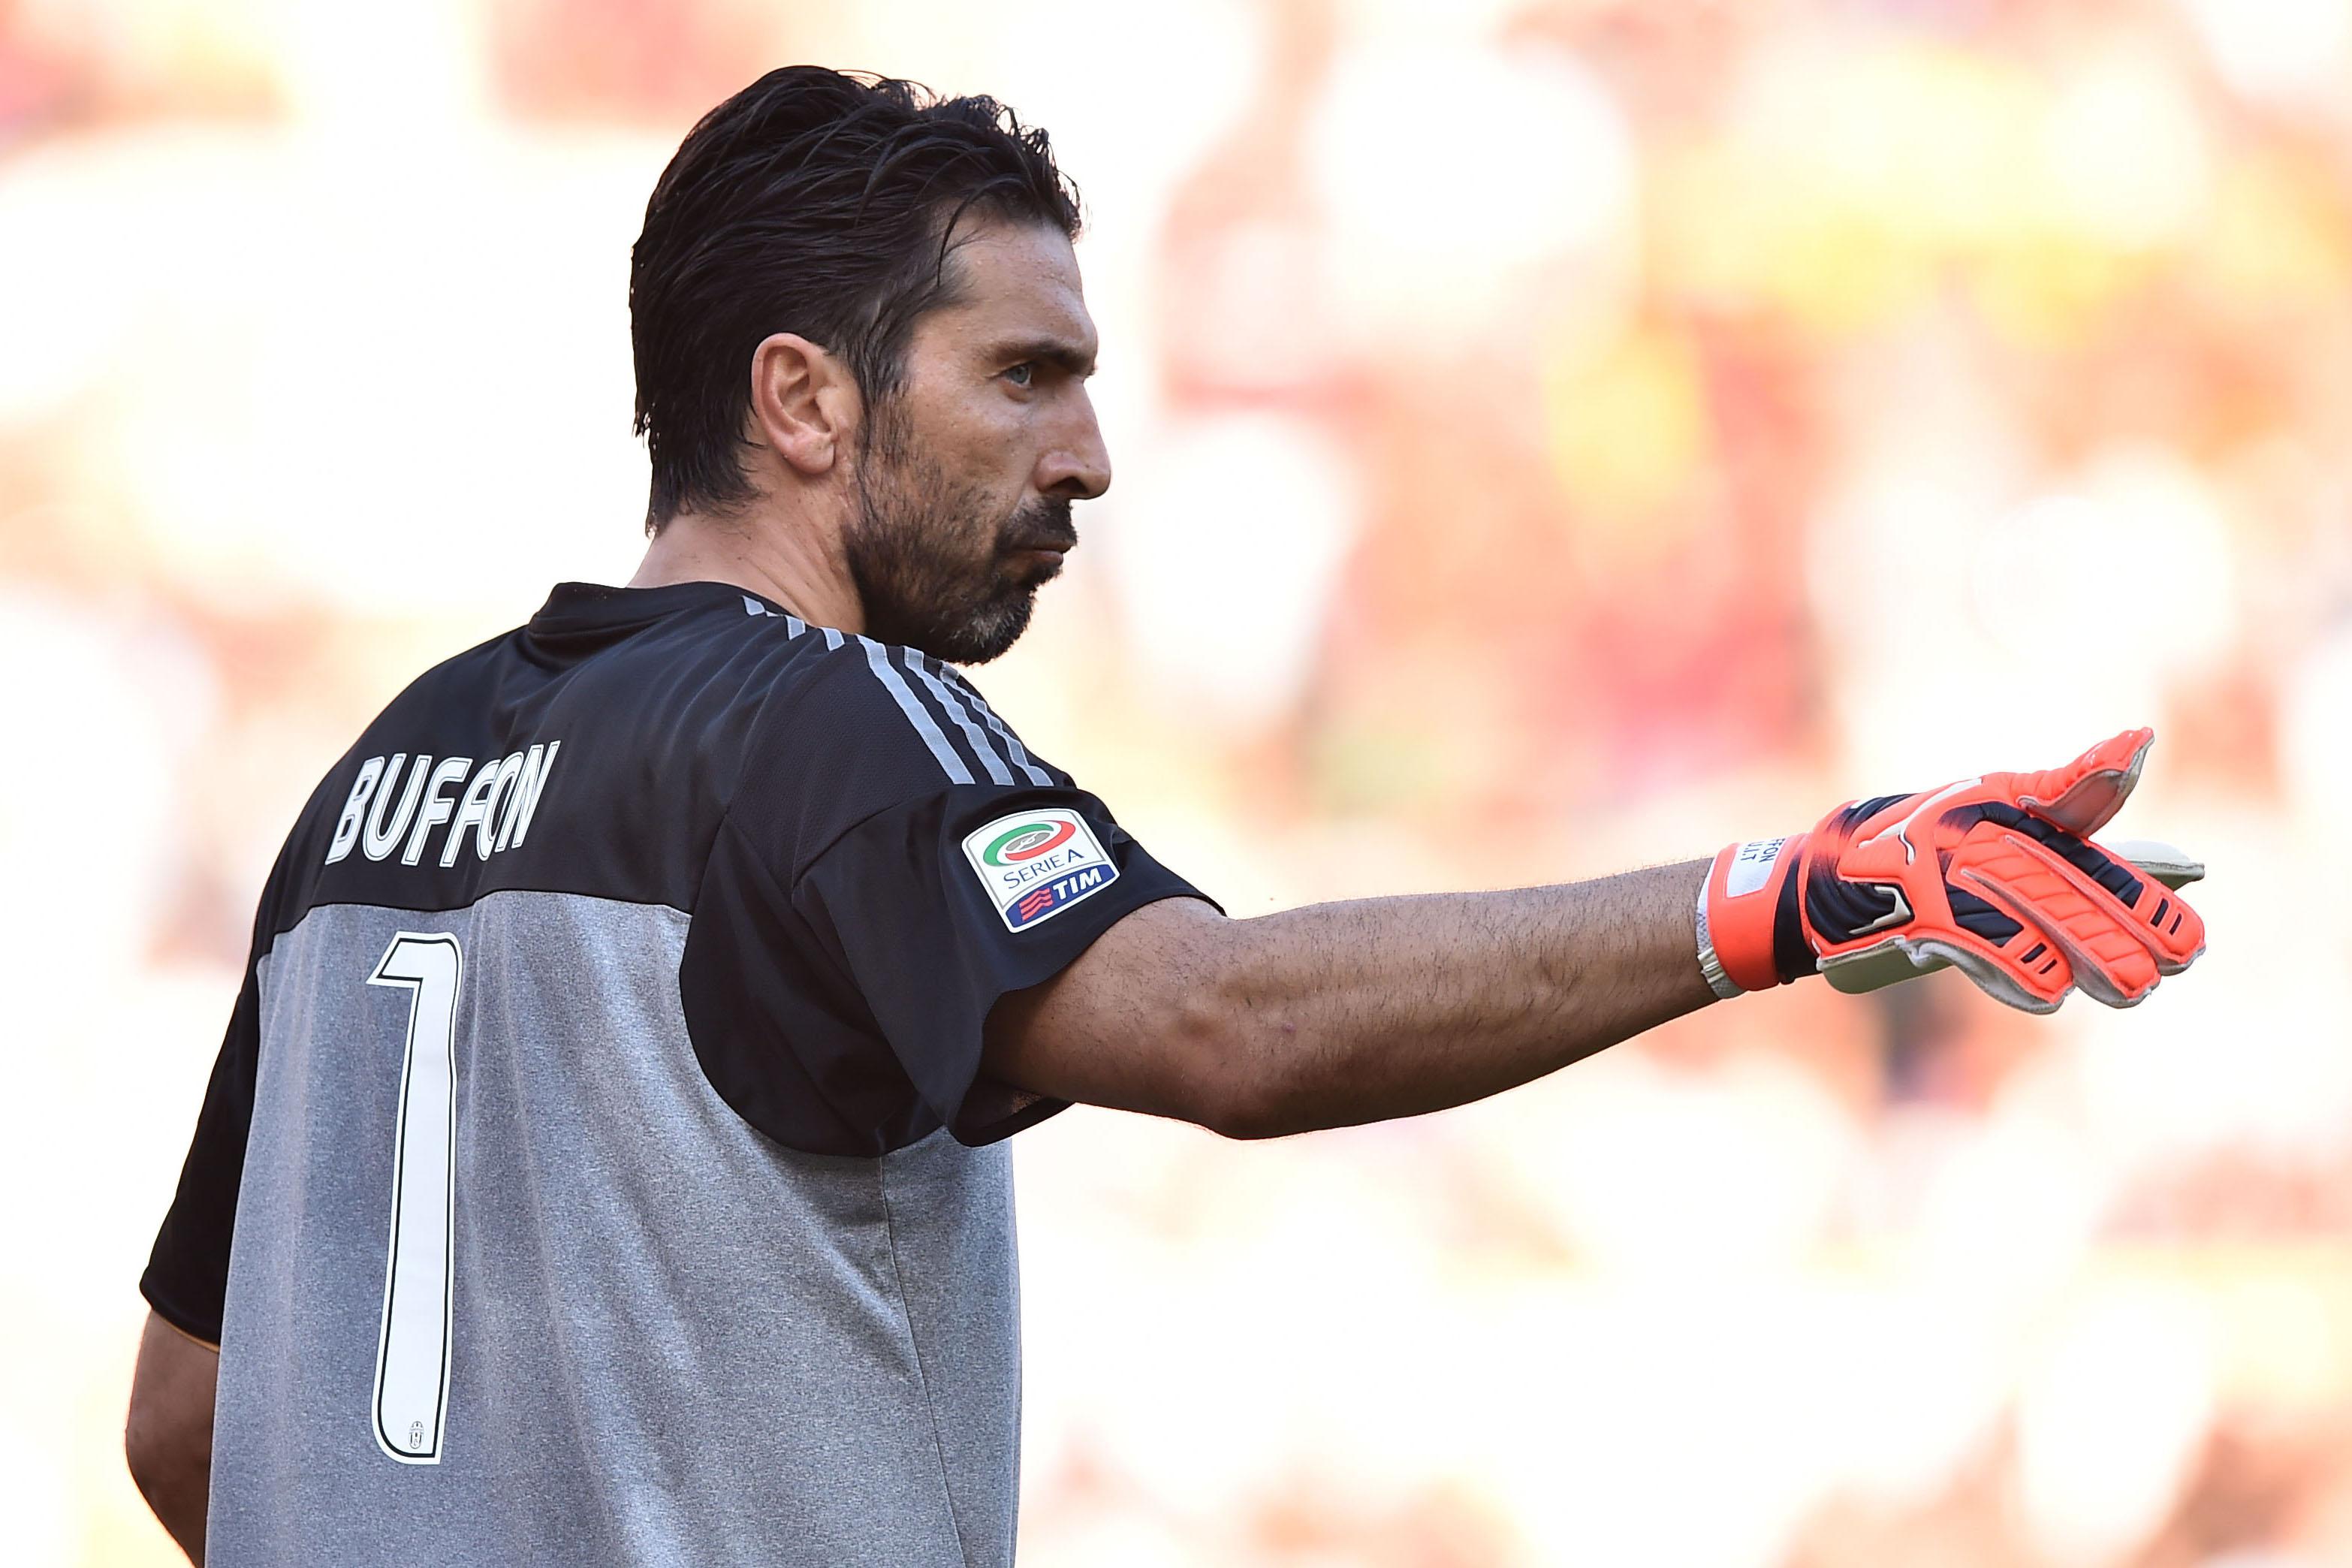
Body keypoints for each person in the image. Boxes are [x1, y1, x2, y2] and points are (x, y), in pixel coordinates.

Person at [122, 66, 2209, 1566]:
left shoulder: (372, 786)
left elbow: (189, 1424)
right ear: (802, 400)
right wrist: (1792, 895)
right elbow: (1226, 1024)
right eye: (1023, 375)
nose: (1091, 455)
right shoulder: (830, 731)